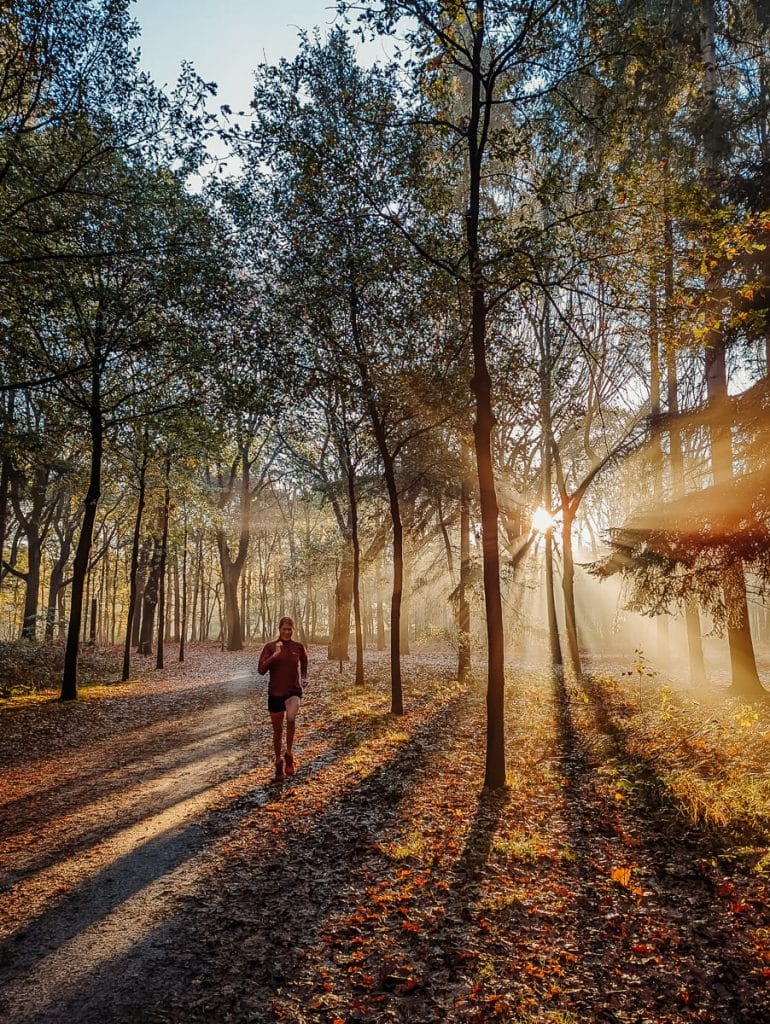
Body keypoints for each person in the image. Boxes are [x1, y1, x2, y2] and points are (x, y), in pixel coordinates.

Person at [258, 616, 308, 780]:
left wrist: (304, 677)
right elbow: (261, 670)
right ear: (279, 629)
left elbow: (304, 661)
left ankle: (289, 754)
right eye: (284, 629)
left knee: (292, 719)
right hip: (275, 693)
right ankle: (278, 762)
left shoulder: (298, 646)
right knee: (277, 729)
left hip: (293, 690)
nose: (286, 632)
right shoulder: (270, 647)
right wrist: (275, 655)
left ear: (293, 629)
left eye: (289, 629)